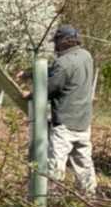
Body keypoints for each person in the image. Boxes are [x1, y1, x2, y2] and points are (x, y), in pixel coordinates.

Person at [22, 25, 96, 195]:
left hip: (64, 123)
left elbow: (48, 88)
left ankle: (52, 200)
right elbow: (60, 74)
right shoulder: (86, 56)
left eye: (56, 42)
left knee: (55, 165)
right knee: (84, 163)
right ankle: (91, 197)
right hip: (83, 122)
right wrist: (31, 72)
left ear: (63, 42)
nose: (55, 46)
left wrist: (30, 94)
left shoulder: (63, 63)